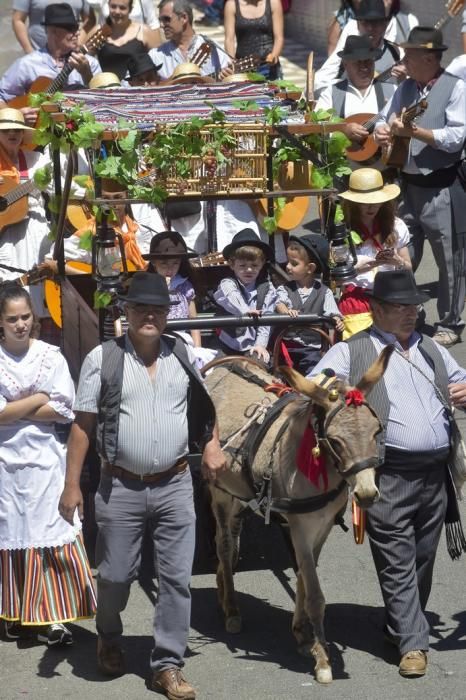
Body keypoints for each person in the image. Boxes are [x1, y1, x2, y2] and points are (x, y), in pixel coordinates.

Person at [58, 271, 225, 699]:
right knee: (114, 575)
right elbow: (83, 424)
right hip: (120, 486)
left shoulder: (184, 355)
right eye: (140, 308)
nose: (149, 316)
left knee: (176, 578)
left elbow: (206, 408)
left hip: (175, 483)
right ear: (126, 312)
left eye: (157, 309)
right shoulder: (104, 358)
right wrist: (71, 486)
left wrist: (212, 446)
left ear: (168, 315)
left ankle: (167, 664)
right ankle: (109, 634)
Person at [308, 268, 466, 678]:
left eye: (415, 305)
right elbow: (314, 384)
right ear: (376, 309)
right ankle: (414, 645)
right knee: (396, 559)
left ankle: (400, 626)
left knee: (423, 558)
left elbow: (461, 383)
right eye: (400, 306)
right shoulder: (352, 350)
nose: (411, 313)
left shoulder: (431, 348)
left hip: (435, 473)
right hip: (387, 473)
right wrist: (341, 393)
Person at [0, 285, 96, 645]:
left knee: (52, 528)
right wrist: (40, 396)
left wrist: (16, 406)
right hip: (6, 462)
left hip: (44, 457)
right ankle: (15, 611)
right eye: (12, 319)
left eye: (26, 317)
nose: (21, 324)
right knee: (12, 532)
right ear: (1, 323)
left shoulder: (50, 356)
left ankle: (52, 616)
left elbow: (63, 407)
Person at [374, 26, 466, 347]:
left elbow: (455, 139)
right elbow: (383, 118)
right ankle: (408, 314)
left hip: (441, 186)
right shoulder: (407, 88)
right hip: (407, 186)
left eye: (409, 56)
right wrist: (382, 132)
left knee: (449, 259)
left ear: (428, 57)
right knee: (402, 254)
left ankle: (451, 323)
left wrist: (415, 132)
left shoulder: (456, 88)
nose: (403, 62)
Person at [0, 107, 58, 340]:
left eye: (17, 129)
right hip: (5, 237)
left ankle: (41, 340)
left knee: (38, 285)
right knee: (9, 285)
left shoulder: (37, 160)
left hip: (36, 230)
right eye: (6, 130)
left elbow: (56, 191)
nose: (12, 134)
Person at [337, 168, 411, 337]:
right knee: (361, 354)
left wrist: (398, 262)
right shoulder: (342, 230)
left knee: (394, 354)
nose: (371, 207)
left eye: (376, 201)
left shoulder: (396, 226)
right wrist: (356, 269)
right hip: (356, 303)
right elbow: (334, 278)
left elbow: (408, 268)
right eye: (364, 202)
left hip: (391, 299)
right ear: (353, 203)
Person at [0, 3, 101, 125]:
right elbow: (2, 96)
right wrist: (17, 116)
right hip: (36, 139)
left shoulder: (90, 63)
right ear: (53, 31)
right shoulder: (27, 64)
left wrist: (87, 74)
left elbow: (103, 103)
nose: (77, 33)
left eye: (77, 27)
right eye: (71, 29)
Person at [275, 233, 344, 374]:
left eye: (294, 263)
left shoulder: (324, 292)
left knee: (314, 372)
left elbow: (332, 313)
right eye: (288, 262)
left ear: (310, 268)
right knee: (280, 373)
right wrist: (286, 311)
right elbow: (279, 303)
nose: (288, 266)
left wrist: (337, 320)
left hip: (312, 348)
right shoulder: (285, 288)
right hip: (287, 344)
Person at [316, 34, 396, 150]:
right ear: (345, 64)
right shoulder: (331, 93)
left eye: (368, 61)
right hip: (344, 166)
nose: (364, 67)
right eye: (358, 62)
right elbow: (317, 128)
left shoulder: (393, 90)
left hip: (386, 166)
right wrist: (342, 131)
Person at [315, 0, 408, 95]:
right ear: (358, 25)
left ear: (385, 25)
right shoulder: (350, 45)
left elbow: (407, 89)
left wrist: (403, 80)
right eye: (365, 23)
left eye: (375, 23)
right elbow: (324, 76)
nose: (370, 28)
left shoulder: (395, 52)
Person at [213, 228, 276, 362]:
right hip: (227, 343)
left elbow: (267, 318)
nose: (249, 270)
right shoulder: (227, 284)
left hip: (254, 345)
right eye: (242, 265)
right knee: (216, 370)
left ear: (262, 264)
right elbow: (231, 299)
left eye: (254, 265)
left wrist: (260, 345)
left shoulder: (267, 288)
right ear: (231, 264)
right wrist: (246, 312)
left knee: (258, 364)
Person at [144, 230, 202, 348]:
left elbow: (193, 319)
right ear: (154, 262)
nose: (170, 269)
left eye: (175, 263)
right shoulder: (145, 286)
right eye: (164, 263)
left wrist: (198, 349)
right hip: (153, 341)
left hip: (181, 341)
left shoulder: (185, 286)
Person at [149, 0, 230, 81]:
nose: (161, 25)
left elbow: (227, 81)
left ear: (184, 18)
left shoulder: (214, 49)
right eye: (160, 20)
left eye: (166, 19)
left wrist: (227, 77)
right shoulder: (155, 55)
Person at [97, 0, 160, 81]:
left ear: (130, 9)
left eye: (122, 8)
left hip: (138, 89)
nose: (117, 11)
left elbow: (158, 62)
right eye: (113, 7)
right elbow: (88, 60)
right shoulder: (99, 32)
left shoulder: (144, 31)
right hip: (107, 89)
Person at [328, 0, 418, 56]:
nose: (370, 28)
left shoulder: (408, 22)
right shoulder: (347, 25)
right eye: (365, 23)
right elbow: (332, 68)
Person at [223, 0, 285, 80]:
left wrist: (274, 55)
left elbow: (279, 37)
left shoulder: (273, 2)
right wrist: (232, 62)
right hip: (243, 66)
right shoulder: (232, 5)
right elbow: (229, 39)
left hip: (268, 67)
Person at [12, 0, 97, 53]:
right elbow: (18, 20)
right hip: (38, 52)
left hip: (72, 54)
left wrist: (79, 43)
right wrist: (29, 50)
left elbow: (90, 19)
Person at [98, 0, 162, 45]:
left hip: (137, 45)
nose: (117, 12)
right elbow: (101, 24)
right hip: (109, 45)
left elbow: (153, 24)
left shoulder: (143, 1)